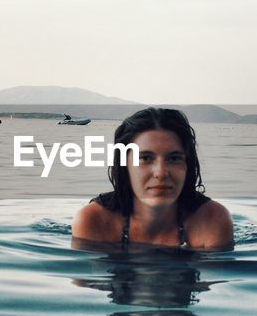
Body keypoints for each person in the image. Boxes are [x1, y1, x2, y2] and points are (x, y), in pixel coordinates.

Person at [72, 107, 233, 250]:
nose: (161, 173)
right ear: (124, 165)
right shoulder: (93, 221)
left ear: (187, 164)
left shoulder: (213, 220)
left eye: (174, 158)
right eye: (145, 158)